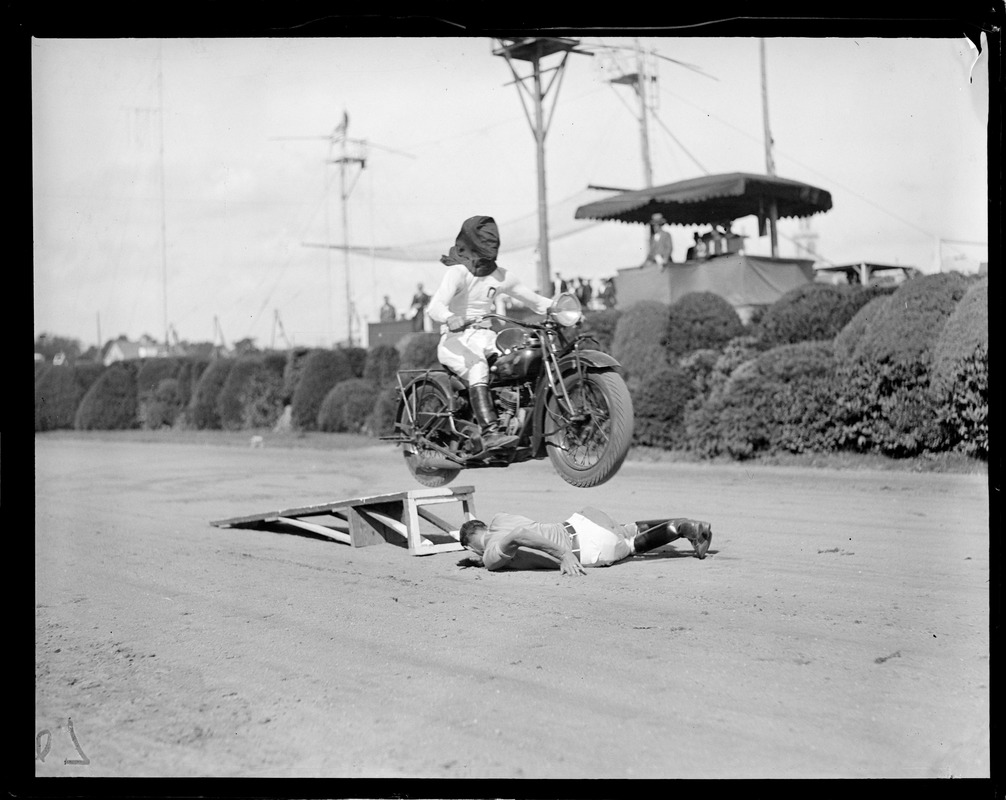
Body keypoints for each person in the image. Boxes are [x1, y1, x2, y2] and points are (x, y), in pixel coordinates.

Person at [427, 215, 554, 454]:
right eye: (485, 241)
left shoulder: (501, 276)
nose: (491, 246)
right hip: (455, 340)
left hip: (485, 337)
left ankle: (516, 419)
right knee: (478, 366)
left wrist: (562, 309)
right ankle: (489, 432)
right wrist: (450, 317)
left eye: (493, 241)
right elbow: (434, 307)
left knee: (522, 356)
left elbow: (536, 302)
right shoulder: (458, 273)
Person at [458, 506, 712, 576]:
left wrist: (562, 555)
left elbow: (518, 537)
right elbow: (519, 529)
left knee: (631, 546)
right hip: (585, 519)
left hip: (586, 547)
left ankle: (679, 528)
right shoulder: (500, 518)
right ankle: (690, 525)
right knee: (626, 530)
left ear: (471, 546)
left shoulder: (491, 555)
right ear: (482, 525)